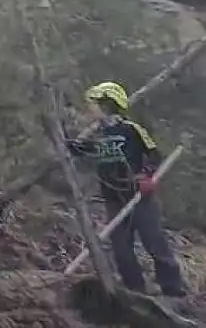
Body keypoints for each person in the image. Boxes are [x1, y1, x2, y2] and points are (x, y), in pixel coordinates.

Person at [66, 81, 185, 298]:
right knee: (121, 247)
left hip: (138, 195)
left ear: (107, 104)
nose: (90, 108)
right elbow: (90, 151)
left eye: (94, 104)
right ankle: (135, 290)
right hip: (113, 197)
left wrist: (148, 175)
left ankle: (172, 288)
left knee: (153, 240)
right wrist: (74, 147)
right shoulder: (98, 133)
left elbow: (154, 153)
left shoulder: (131, 129)